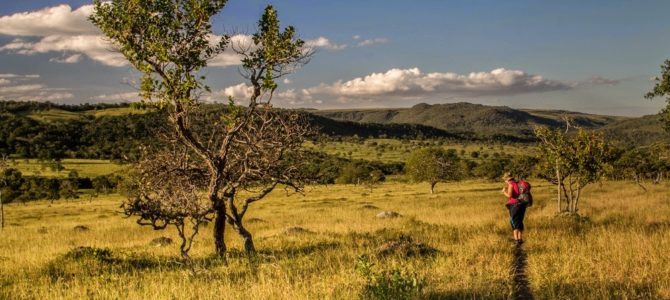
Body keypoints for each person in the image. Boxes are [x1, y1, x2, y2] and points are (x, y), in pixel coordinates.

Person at [502, 172, 526, 245]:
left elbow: (509, 195)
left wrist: (504, 192)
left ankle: (516, 240)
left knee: (514, 222)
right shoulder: (518, 183)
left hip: (514, 205)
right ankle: (520, 239)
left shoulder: (511, 184)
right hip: (522, 204)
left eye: (505, 180)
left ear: (507, 179)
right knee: (520, 221)